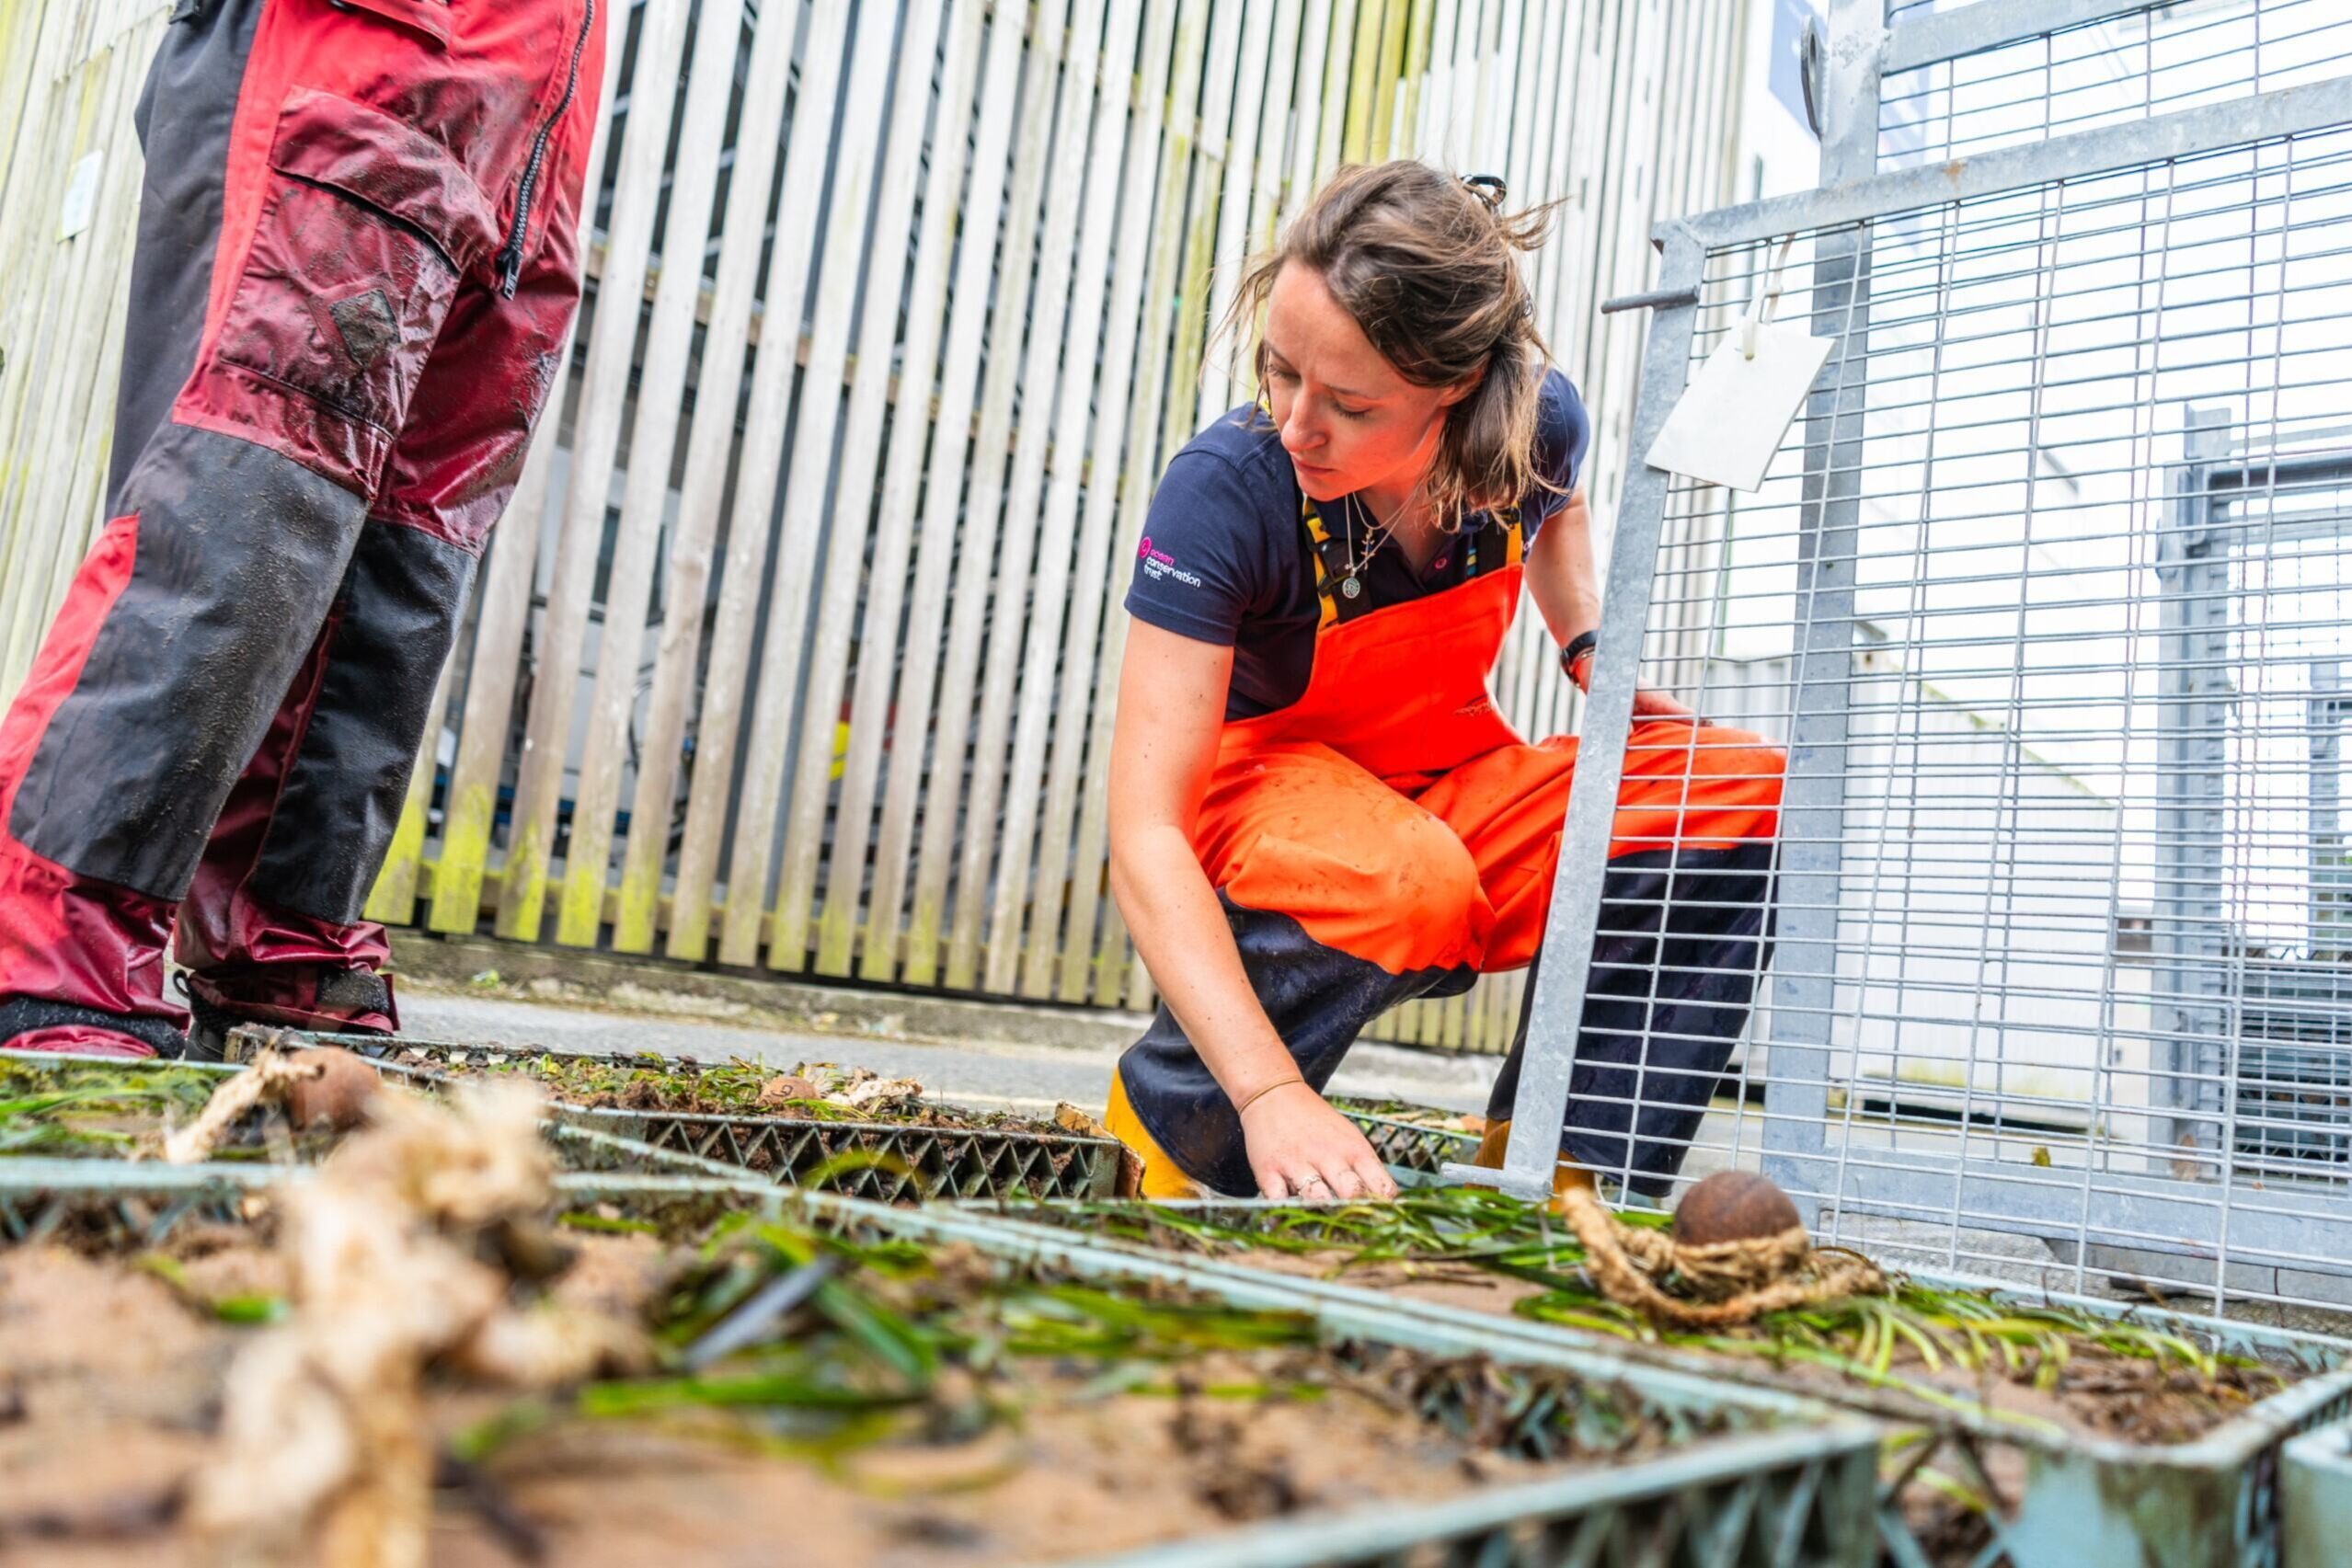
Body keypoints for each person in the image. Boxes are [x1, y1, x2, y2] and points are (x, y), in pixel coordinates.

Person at [1103, 161, 1784, 1203]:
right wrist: (1268, 1090)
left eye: (1349, 401)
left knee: (1741, 793)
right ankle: (1180, 1140)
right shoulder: (1225, 494)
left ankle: (1563, 1180)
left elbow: (1559, 515)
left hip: (1442, 784)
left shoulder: (1532, 425)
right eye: (1278, 371)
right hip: (1269, 800)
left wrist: (1586, 640)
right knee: (1404, 877)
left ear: (1456, 385)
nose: (1295, 425)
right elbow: (1144, 832)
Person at [0, 0, 605, 1058]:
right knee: (247, 477)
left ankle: (280, 921)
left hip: (534, 113)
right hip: (372, 40)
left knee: (410, 547)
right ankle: (50, 937)